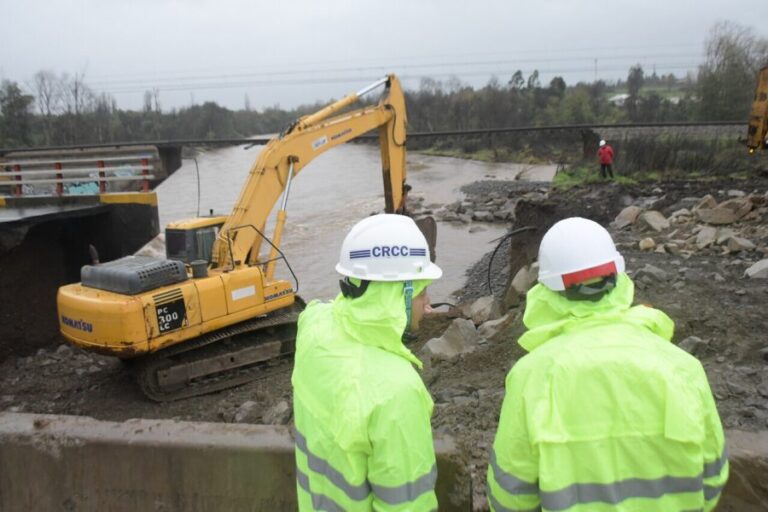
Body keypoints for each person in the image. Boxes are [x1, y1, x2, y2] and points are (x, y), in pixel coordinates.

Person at [487, 217, 728, 512]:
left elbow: (510, 497)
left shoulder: (532, 376)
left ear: (546, 291)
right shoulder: (683, 367)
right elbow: (713, 479)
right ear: (619, 279)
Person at [292, 213, 443, 511]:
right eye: (423, 287)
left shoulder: (312, 324)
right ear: (400, 291)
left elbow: (324, 307)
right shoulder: (397, 391)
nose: (428, 302)